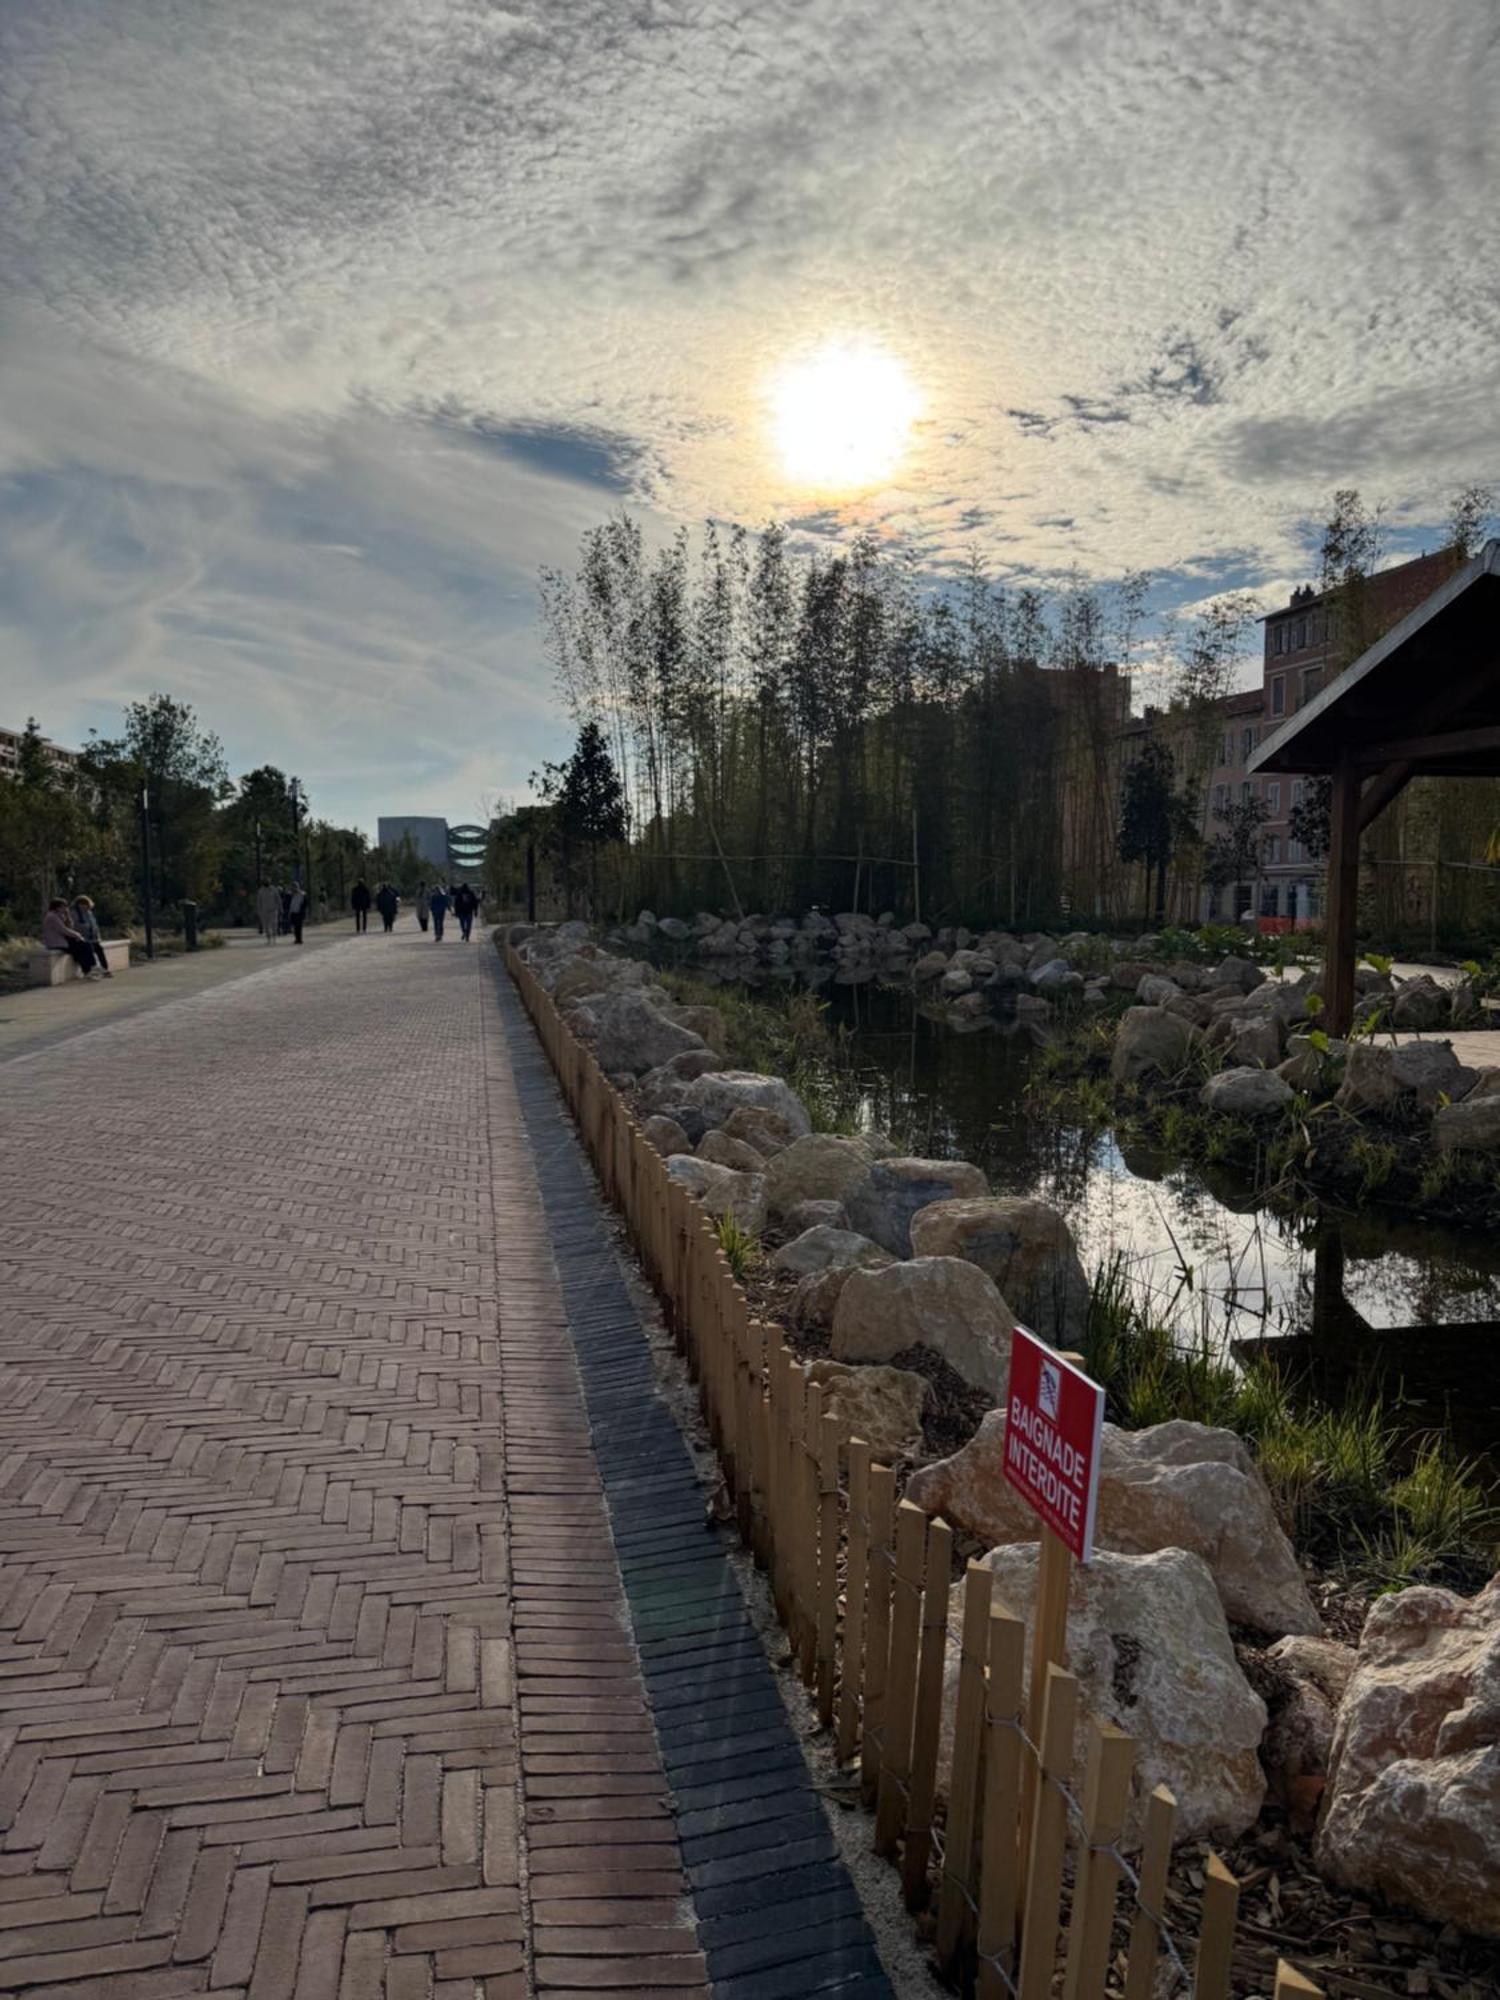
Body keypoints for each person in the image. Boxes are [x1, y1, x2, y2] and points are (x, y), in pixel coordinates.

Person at [41, 897, 99, 978]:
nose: (65, 908)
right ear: (57, 907)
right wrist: (78, 935)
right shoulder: (52, 916)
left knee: (85, 945)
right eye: (63, 906)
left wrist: (67, 915)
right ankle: (89, 968)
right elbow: (63, 930)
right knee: (81, 948)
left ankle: (90, 969)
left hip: (63, 940)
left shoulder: (60, 915)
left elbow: (70, 927)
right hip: (56, 942)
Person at [71, 895, 113, 977]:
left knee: (99, 949)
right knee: (89, 950)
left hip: (92, 938)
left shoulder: (89, 913)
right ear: (80, 904)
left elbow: (95, 925)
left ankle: (104, 968)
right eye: (86, 905)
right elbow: (74, 926)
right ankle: (90, 969)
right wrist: (84, 927)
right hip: (82, 938)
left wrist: (97, 936)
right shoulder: (74, 913)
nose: (87, 908)